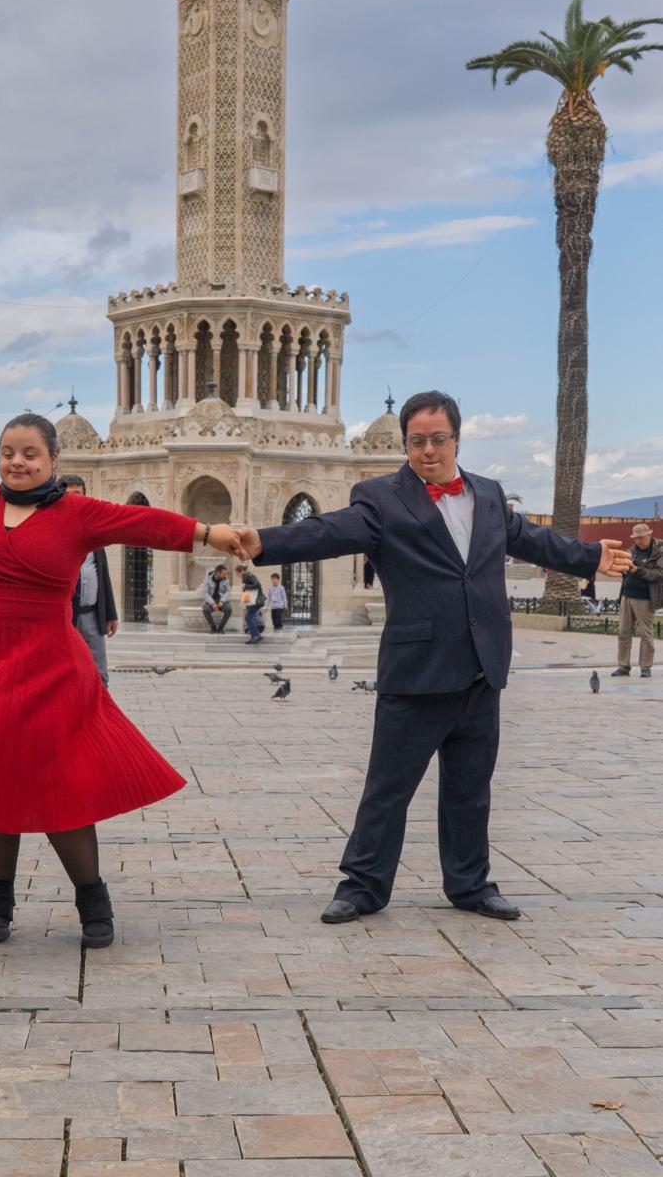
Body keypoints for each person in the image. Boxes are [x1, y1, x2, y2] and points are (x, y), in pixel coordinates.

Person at [234, 389, 632, 925]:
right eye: (417, 441)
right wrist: (264, 542)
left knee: (470, 790)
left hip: (482, 667)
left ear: (456, 439)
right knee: (388, 789)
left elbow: (531, 540)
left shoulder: (488, 495)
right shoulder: (380, 498)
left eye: (438, 439)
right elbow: (328, 530)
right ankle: (362, 886)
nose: (427, 450)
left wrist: (590, 556)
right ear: (405, 444)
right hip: (417, 671)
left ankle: (471, 885)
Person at [0, 410, 241, 949]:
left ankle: (92, 896)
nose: (17, 462)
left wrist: (208, 533)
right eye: (8, 453)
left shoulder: (76, 514)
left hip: (51, 668)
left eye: (30, 454)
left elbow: (141, 523)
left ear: (54, 460)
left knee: (61, 782)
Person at [59, 475, 118, 687]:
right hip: (65, 617)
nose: (73, 499)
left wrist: (110, 614)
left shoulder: (94, 532)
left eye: (77, 494)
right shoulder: (54, 533)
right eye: (68, 495)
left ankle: (100, 707)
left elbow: (103, 575)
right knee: (67, 672)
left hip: (92, 615)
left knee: (99, 674)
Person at [613, 522, 663, 679]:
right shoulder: (632, 550)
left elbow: (659, 573)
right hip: (627, 594)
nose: (638, 541)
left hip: (645, 598)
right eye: (636, 538)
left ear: (649, 535)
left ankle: (645, 667)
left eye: (641, 538)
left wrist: (638, 570)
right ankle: (623, 667)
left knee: (646, 633)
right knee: (623, 632)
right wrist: (623, 568)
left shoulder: (659, 551)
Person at [236, 564, 266, 640]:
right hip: (253, 602)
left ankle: (256, 636)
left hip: (256, 601)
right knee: (249, 617)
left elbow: (257, 584)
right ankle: (255, 636)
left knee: (248, 617)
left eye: (237, 573)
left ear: (242, 571)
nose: (237, 575)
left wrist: (246, 586)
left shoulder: (249, 576)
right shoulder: (245, 577)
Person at [200, 565, 232, 633]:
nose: (225, 575)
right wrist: (212, 603)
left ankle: (221, 628)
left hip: (221, 599)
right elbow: (205, 593)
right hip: (211, 599)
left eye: (225, 573)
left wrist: (222, 601)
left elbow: (228, 591)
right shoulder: (208, 578)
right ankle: (213, 628)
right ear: (217, 572)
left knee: (229, 609)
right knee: (205, 609)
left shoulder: (225, 579)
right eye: (223, 573)